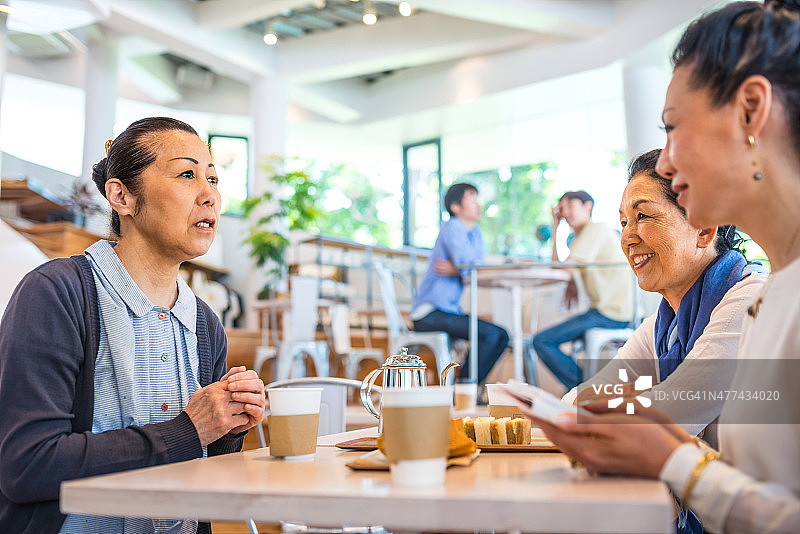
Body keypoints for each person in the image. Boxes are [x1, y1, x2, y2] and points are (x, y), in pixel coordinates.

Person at [531, 2, 800, 533]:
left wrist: (674, 461)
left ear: (751, 109)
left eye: (674, 128)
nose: (668, 162)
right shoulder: (769, 297)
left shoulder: (752, 294)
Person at [0, 117, 266, 533]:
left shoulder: (204, 322)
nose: (210, 195)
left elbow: (205, 474)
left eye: (213, 180)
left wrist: (229, 426)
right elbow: (27, 465)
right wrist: (188, 429)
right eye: (186, 174)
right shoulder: (57, 293)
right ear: (121, 196)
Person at [563, 149, 766, 444]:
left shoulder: (749, 302)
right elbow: (574, 403)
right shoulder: (663, 326)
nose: (627, 238)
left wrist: (647, 399)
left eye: (642, 215)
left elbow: (666, 418)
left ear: (704, 229)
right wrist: (650, 399)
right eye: (623, 222)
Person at [531, 190, 633, 389]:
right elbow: (562, 268)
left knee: (542, 340)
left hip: (610, 313)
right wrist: (556, 226)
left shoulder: (595, 230)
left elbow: (561, 269)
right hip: (607, 311)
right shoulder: (581, 238)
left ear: (588, 207)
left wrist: (555, 228)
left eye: (570, 206)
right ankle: (588, 391)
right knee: (546, 340)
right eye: (561, 208)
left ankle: (587, 391)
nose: (565, 212)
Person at [411, 183, 509, 385]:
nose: (477, 204)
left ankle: (466, 388)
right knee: (491, 334)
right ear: (456, 207)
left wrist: (458, 269)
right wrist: (463, 269)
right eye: (471, 198)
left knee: (501, 336)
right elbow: (469, 269)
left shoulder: (476, 232)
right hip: (430, 312)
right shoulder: (453, 226)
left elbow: (473, 268)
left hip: (449, 311)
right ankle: (465, 387)